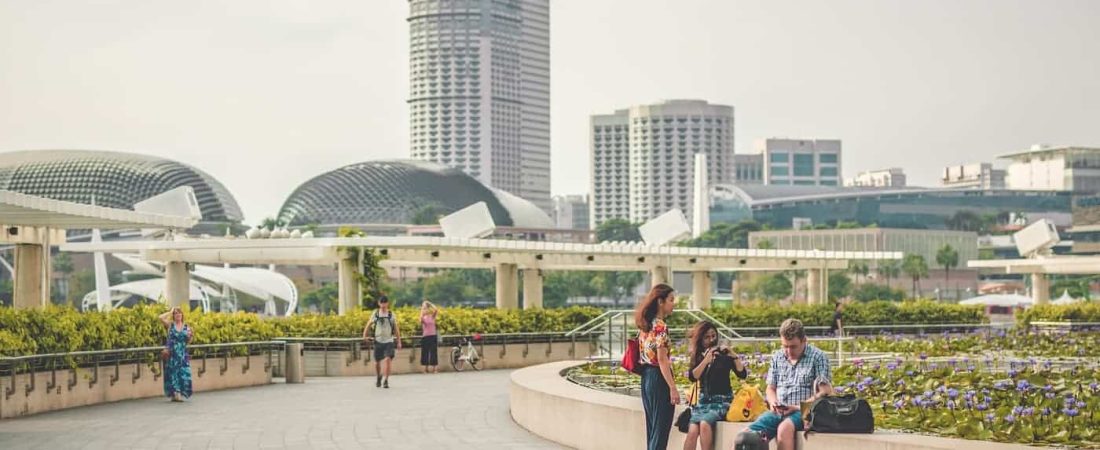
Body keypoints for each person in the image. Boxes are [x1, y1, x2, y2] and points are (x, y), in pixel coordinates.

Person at [747, 318, 834, 450]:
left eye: (793, 346)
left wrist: (797, 407)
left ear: (804, 340)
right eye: (785, 346)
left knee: (784, 429)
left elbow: (825, 392)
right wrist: (773, 402)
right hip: (779, 410)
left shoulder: (818, 357)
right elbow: (770, 388)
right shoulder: (778, 357)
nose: (788, 351)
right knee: (746, 436)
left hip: (804, 410)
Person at [682, 321, 747, 450]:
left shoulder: (723, 355)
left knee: (705, 423)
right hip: (703, 401)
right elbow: (692, 376)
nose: (711, 340)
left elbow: (742, 374)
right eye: (707, 337)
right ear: (701, 339)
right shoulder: (698, 356)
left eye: (713, 336)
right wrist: (706, 361)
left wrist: (733, 356)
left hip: (722, 401)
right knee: (693, 430)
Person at [634, 283, 679, 450]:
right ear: (660, 301)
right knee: (660, 431)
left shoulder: (645, 325)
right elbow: (662, 359)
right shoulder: (661, 327)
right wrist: (673, 388)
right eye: (671, 300)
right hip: (659, 379)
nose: (673, 303)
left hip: (646, 378)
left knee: (652, 430)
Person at [364, 295, 402, 388]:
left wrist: (399, 341)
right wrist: (365, 335)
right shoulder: (375, 314)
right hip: (378, 341)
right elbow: (368, 324)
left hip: (389, 341)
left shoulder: (391, 314)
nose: (383, 305)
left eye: (385, 303)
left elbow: (396, 329)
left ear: (388, 303)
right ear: (379, 303)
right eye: (382, 303)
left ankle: (386, 380)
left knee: (388, 359)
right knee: (377, 362)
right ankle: (379, 376)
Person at [158, 307, 193, 402]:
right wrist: (170, 312)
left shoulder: (187, 327)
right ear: (173, 316)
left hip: (182, 354)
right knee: (172, 373)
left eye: (179, 313)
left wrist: (191, 336)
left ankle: (179, 393)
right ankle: (176, 394)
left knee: (184, 373)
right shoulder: (170, 325)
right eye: (176, 313)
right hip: (172, 353)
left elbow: (189, 341)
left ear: (182, 315)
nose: (178, 315)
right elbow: (160, 317)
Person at [419, 300, 440, 374]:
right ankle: (425, 369)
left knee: (433, 352)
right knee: (425, 352)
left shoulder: (432, 316)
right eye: (424, 308)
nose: (425, 310)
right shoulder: (423, 318)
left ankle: (435, 369)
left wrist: (430, 304)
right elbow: (420, 319)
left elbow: (436, 309)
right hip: (425, 336)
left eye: (426, 308)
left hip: (433, 336)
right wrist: (422, 308)